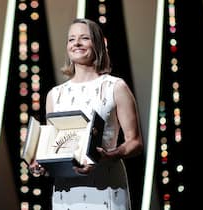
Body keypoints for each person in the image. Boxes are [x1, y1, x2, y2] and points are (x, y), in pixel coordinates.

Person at [30, 18, 143, 210]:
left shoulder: (115, 87)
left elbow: (135, 142)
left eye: (84, 38)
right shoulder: (55, 95)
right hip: (66, 194)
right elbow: (53, 145)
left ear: (98, 44)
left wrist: (108, 156)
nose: (76, 43)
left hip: (106, 188)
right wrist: (40, 163)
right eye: (71, 39)